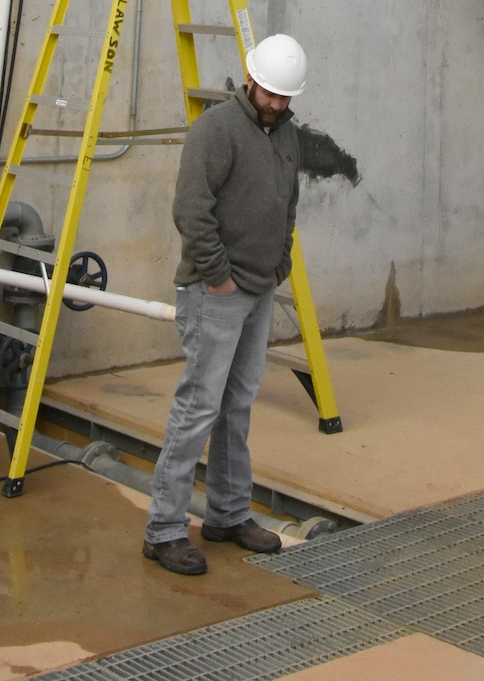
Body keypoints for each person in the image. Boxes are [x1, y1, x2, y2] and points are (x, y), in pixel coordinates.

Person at [142, 33, 307, 576]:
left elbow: (288, 204)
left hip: (258, 289)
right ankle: (164, 529)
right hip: (216, 292)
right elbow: (192, 208)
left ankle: (228, 514)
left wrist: (278, 264)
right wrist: (218, 278)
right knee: (198, 407)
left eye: (287, 98)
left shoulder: (286, 135)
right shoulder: (215, 130)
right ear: (251, 79)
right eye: (271, 95)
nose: (278, 105)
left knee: (236, 406)